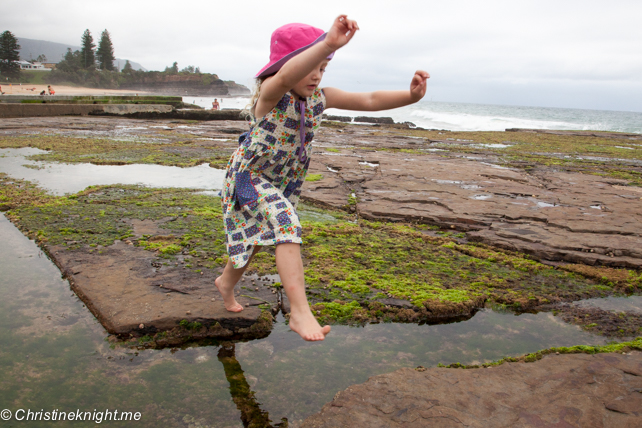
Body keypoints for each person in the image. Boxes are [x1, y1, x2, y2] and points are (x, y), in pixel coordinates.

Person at [215, 14, 429, 341]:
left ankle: (226, 283)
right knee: (285, 225)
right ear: (283, 66)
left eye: (323, 68)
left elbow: (369, 100)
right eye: (310, 66)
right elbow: (288, 75)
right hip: (249, 176)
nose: (315, 75)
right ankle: (300, 311)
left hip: (281, 181)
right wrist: (327, 43)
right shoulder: (272, 96)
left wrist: (411, 97)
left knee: (257, 236)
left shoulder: (320, 98)